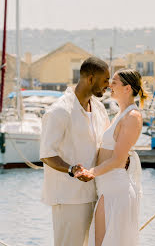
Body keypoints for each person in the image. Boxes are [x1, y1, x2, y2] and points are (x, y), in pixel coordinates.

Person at [40, 57, 110, 246]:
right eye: (105, 80)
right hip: (68, 197)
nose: (108, 85)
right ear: (90, 78)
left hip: (95, 193)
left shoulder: (99, 108)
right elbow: (47, 154)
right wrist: (72, 169)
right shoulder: (59, 111)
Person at [75, 68, 148, 246]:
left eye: (114, 82)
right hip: (107, 189)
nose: (109, 86)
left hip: (117, 191)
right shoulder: (120, 115)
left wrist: (91, 172)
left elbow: (118, 160)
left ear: (127, 88)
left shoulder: (133, 116)